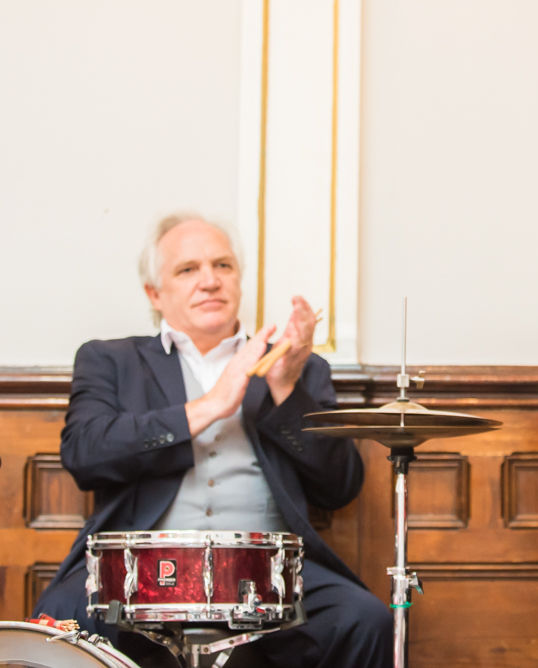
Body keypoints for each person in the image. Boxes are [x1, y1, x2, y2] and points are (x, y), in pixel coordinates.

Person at [33, 214, 393, 667]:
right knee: (58, 624)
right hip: (135, 574)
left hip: (269, 578)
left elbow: (341, 487)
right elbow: (84, 453)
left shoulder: (298, 367)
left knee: (365, 618)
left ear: (239, 280)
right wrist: (211, 405)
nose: (209, 281)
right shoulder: (111, 360)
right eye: (188, 270)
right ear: (154, 293)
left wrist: (286, 390)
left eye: (222, 266)